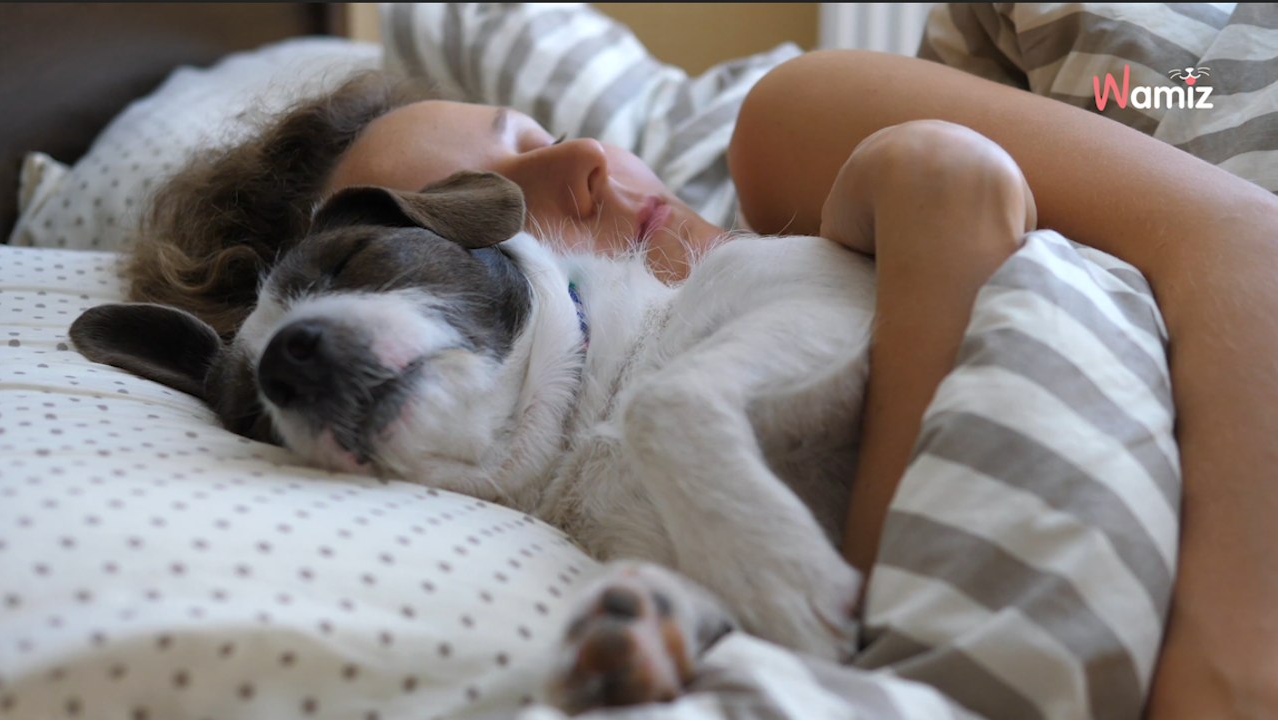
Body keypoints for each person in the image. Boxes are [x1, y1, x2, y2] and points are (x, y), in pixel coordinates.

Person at [126, 49, 1277, 720]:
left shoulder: (790, 135)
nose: (574, 163)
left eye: (533, 131)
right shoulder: (582, 497)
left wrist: (1218, 678)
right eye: (486, 194)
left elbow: (1239, 239)